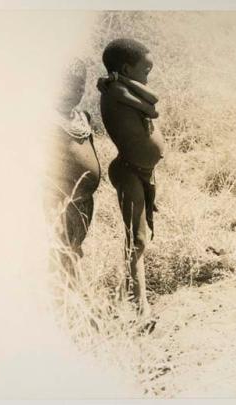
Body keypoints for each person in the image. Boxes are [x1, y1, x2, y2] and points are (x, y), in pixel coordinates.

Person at [98, 38, 165, 325]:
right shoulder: (114, 92)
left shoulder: (119, 87)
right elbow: (152, 108)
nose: (148, 77)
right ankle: (139, 310)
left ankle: (128, 299)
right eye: (145, 70)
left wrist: (125, 80)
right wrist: (118, 82)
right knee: (136, 240)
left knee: (141, 238)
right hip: (128, 170)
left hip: (141, 171)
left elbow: (151, 101)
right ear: (127, 68)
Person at [44, 59, 101, 280]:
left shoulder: (82, 117)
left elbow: (90, 148)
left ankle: (74, 297)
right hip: (60, 201)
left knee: (75, 247)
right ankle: (61, 302)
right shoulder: (47, 121)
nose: (74, 92)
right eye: (67, 86)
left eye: (79, 86)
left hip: (85, 200)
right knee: (60, 249)